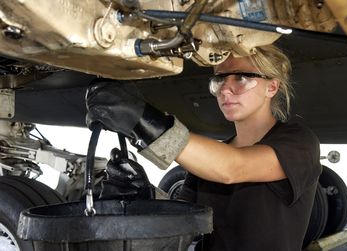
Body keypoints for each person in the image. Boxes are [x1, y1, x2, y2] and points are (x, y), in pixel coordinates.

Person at [86, 44, 322, 251]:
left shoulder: (298, 142)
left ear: (271, 88)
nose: (225, 90)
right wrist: (141, 200)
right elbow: (184, 221)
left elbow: (233, 168)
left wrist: (143, 120)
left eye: (241, 78)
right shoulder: (211, 160)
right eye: (220, 79)